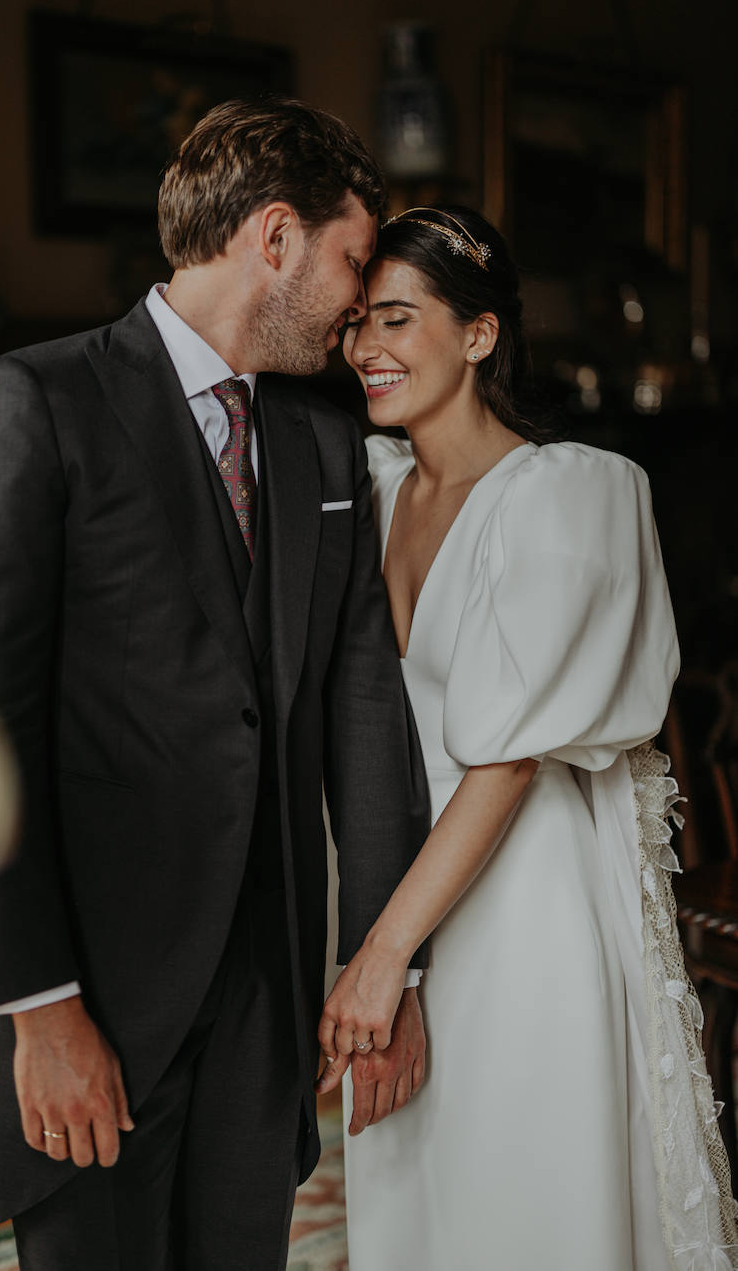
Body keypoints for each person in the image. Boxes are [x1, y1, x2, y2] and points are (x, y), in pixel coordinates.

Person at [0, 99, 431, 1271]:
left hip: (264, 995)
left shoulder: (323, 441)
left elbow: (363, 712)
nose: (358, 302)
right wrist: (40, 1010)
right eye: (352, 260)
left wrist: (388, 963)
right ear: (276, 237)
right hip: (93, 992)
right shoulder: (31, 402)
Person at [316, 205, 738, 1270]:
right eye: (359, 320)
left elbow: (505, 758)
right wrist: (386, 956)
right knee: (421, 1201)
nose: (368, 347)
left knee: (527, 1198)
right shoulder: (368, 492)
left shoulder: (567, 497)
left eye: (400, 319)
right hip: (409, 903)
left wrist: (379, 958)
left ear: (480, 334)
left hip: (521, 910)